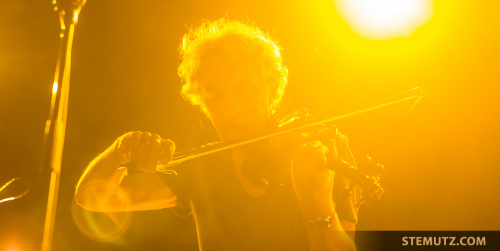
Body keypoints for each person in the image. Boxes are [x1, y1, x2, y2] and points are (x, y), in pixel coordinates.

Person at [75, 19, 360, 251]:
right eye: (215, 93)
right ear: (200, 101)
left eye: (243, 88)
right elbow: (93, 199)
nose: (230, 107)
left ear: (272, 88)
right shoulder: (202, 166)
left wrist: (317, 202)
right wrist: (120, 151)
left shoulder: (319, 150)